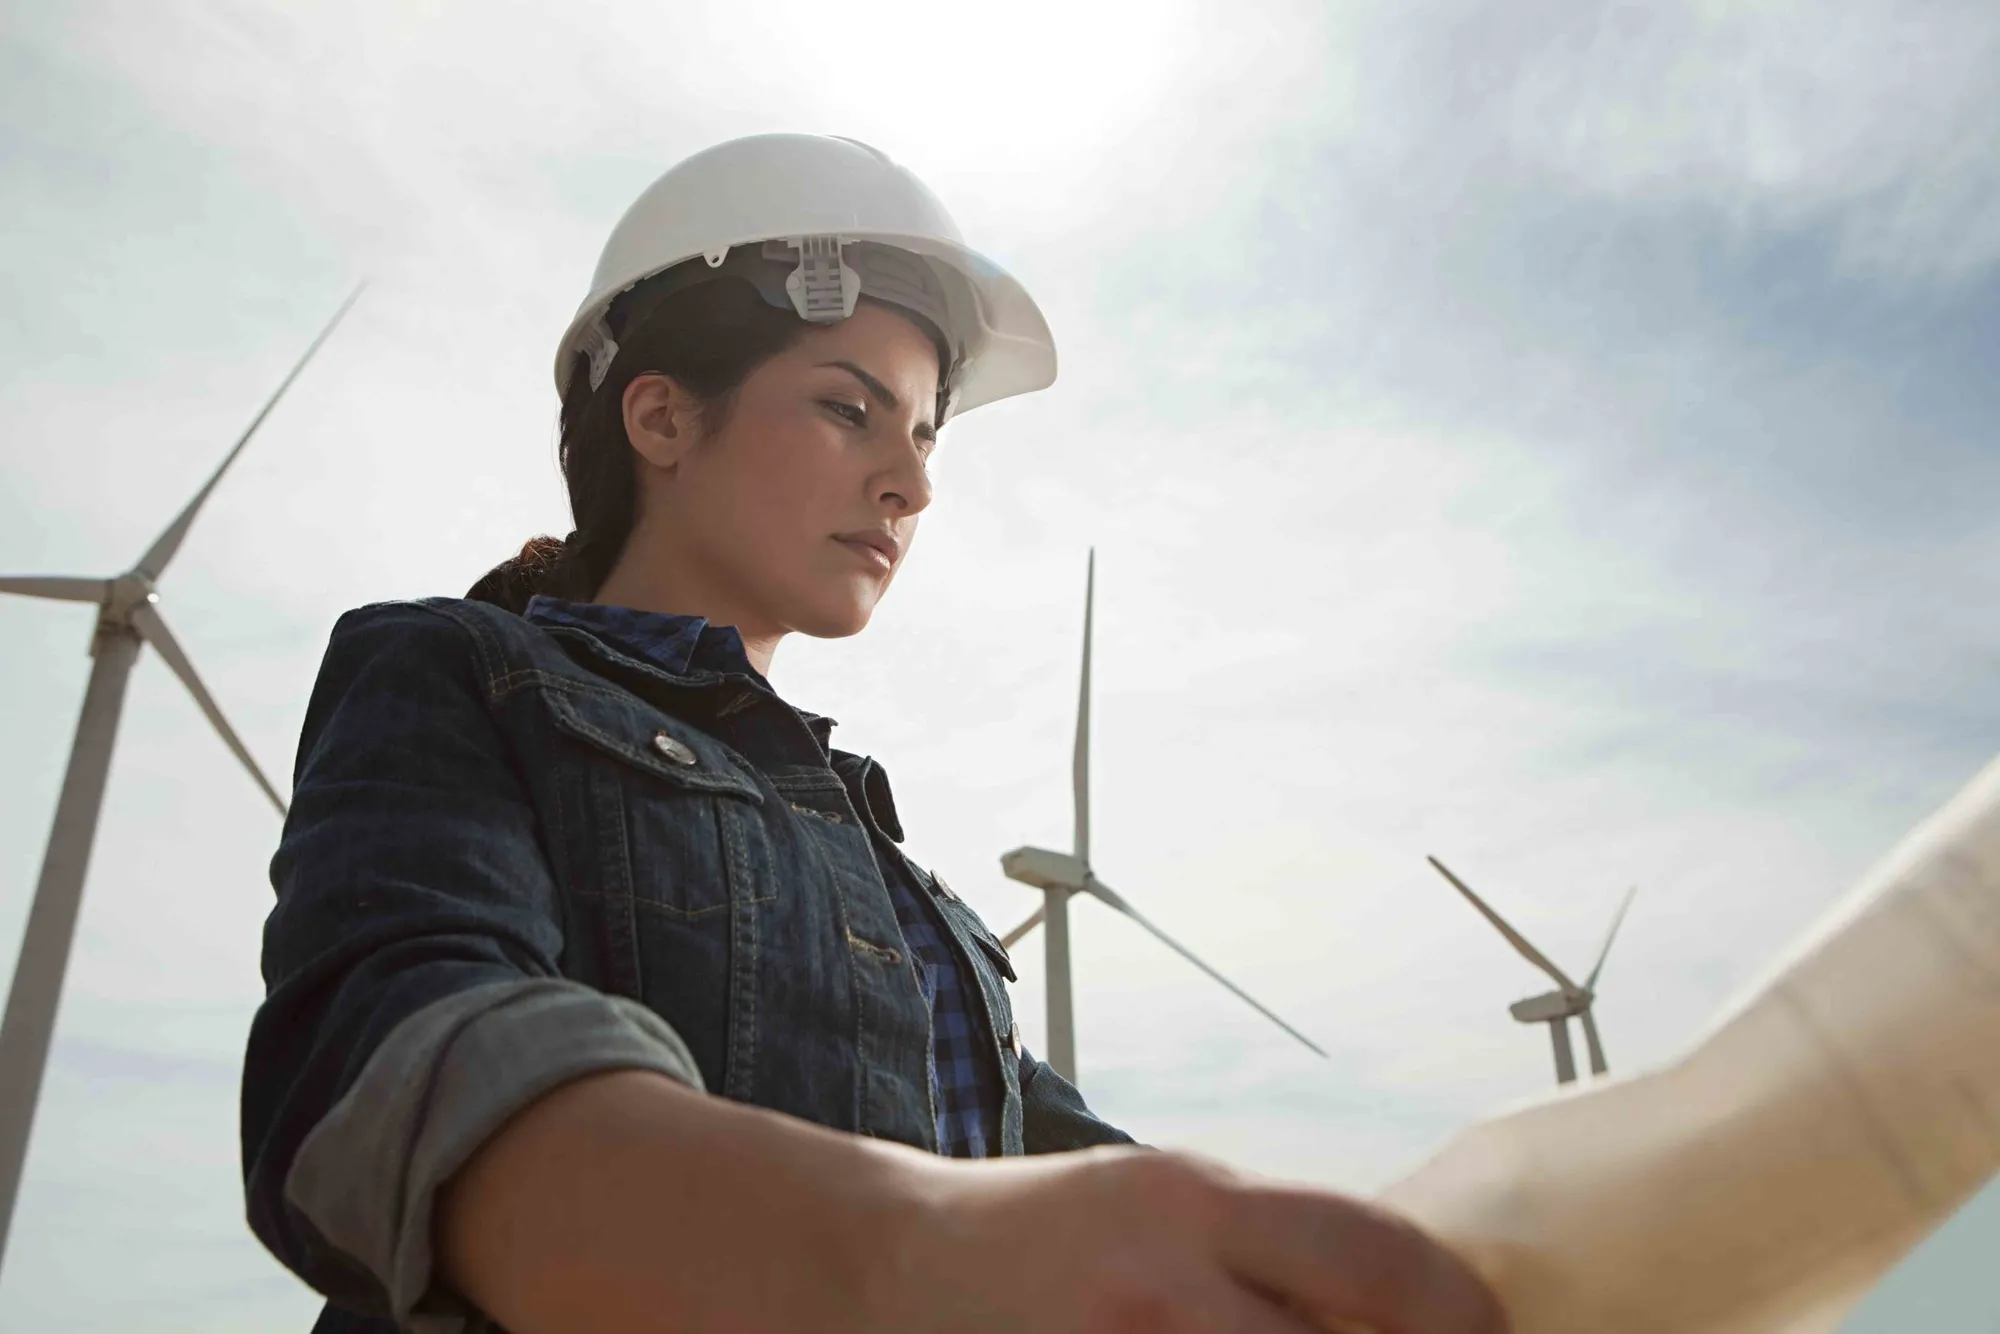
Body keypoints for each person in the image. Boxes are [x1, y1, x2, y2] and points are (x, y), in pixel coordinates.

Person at [240, 133, 1508, 1334]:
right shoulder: (460, 670)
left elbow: (1089, 1204)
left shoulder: (917, 901)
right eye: (848, 409)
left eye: (922, 432)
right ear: (662, 417)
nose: (910, 480)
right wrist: (908, 1246)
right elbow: (389, 1064)